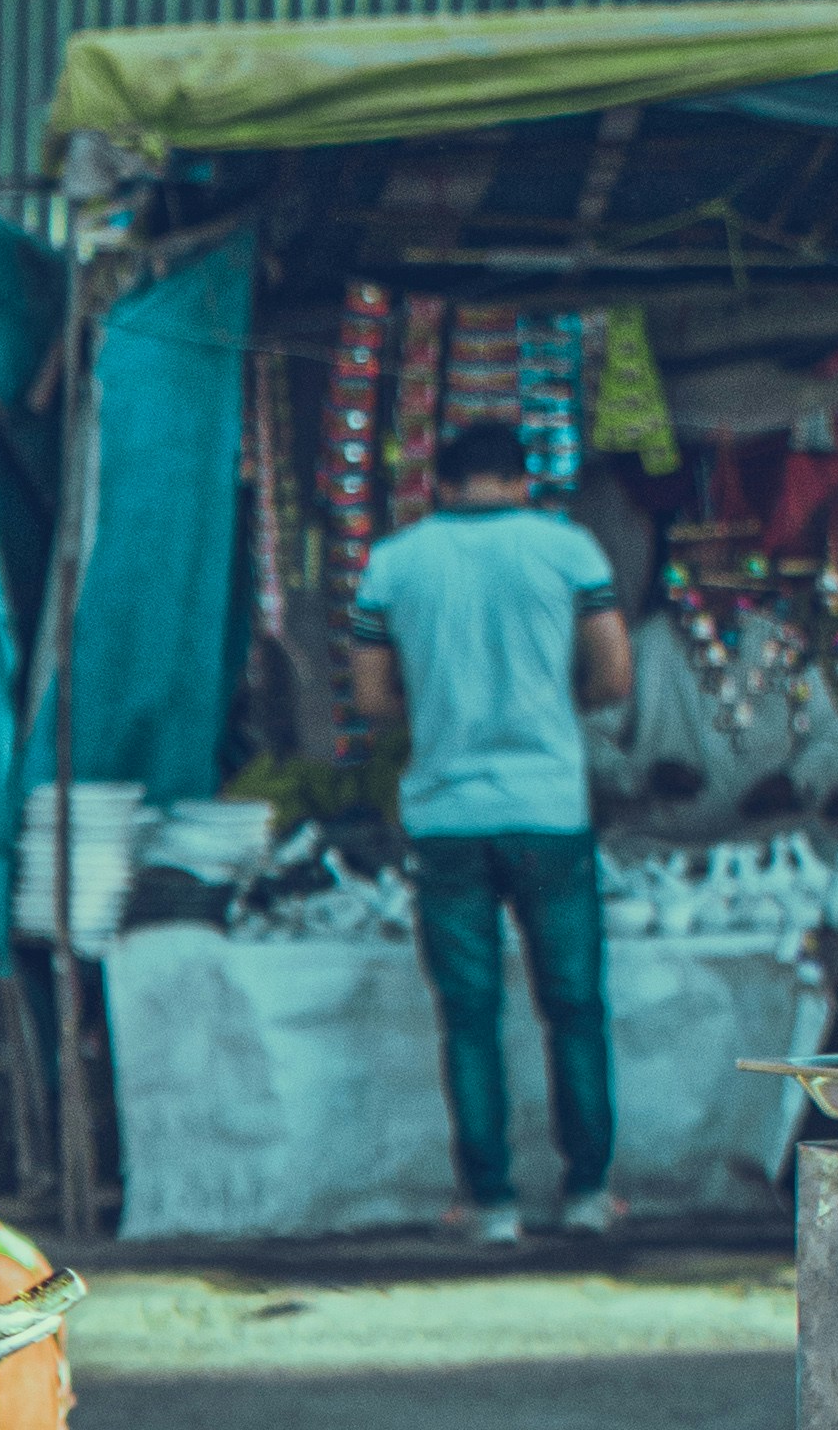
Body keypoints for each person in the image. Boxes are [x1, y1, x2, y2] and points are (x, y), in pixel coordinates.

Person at [348, 421, 637, 1245]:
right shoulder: (569, 550)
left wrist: (442, 719)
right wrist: (549, 713)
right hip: (550, 807)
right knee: (575, 1006)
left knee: (470, 1015)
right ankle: (587, 1192)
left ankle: (492, 1204)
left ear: (440, 482)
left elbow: (371, 700)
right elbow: (615, 676)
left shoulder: (394, 563)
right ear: (522, 479)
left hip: (446, 814)